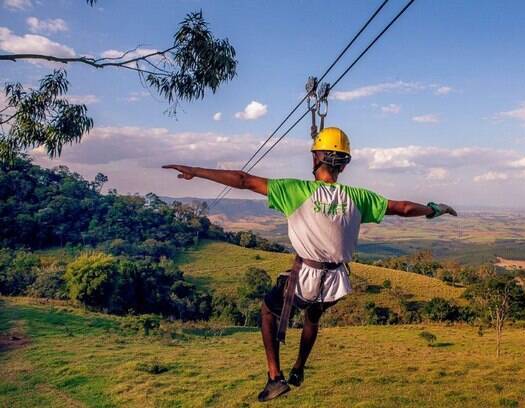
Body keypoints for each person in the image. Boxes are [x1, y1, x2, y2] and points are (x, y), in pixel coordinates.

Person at [163, 127, 457, 402]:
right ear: (344, 165)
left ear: (316, 157)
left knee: (268, 312)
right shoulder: (359, 197)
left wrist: (195, 172)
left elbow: (243, 180)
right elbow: (403, 208)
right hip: (337, 282)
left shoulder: (296, 190)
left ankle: (275, 377)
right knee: (312, 318)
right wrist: (434, 209)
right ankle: (300, 366)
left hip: (306, 276)